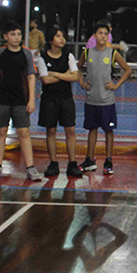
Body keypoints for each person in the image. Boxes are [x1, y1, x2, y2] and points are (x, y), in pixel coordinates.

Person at [0, 22, 42, 181]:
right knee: (1, 132)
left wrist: (32, 100)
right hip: (1, 99)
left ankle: (30, 168)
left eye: (19, 34)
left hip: (21, 99)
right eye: (13, 34)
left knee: (24, 133)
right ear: (5, 36)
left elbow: (31, 77)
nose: (16, 37)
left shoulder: (26, 54)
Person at [77, 21, 132, 175]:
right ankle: (89, 160)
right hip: (91, 99)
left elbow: (127, 70)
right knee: (92, 130)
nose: (103, 36)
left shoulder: (113, 53)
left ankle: (108, 160)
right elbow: (78, 68)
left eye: (105, 34)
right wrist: (81, 82)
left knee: (108, 130)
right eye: (100, 33)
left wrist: (116, 84)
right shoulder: (87, 53)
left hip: (107, 100)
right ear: (94, 35)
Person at [37, 26, 83, 178]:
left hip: (66, 98)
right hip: (49, 99)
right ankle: (53, 163)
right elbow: (45, 80)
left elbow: (74, 76)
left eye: (62, 36)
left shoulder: (68, 56)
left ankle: (72, 164)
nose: (62, 39)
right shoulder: (42, 57)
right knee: (51, 131)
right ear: (50, 40)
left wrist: (55, 74)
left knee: (70, 130)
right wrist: (65, 75)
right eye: (58, 36)